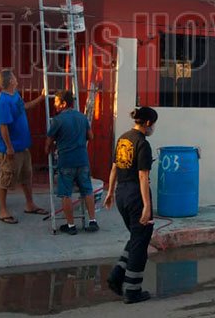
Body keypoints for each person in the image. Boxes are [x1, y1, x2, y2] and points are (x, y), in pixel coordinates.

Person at [104, 107, 158, 304]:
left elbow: (114, 168)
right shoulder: (142, 144)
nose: (153, 128)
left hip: (121, 194)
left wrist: (110, 192)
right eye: (154, 125)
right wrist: (147, 206)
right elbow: (143, 176)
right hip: (136, 196)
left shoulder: (123, 139)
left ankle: (117, 276)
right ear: (148, 123)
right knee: (140, 242)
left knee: (136, 237)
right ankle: (132, 290)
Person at [0, 69, 47, 224]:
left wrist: (41, 98)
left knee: (26, 176)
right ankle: (3, 211)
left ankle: (30, 204)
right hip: (11, 148)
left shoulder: (15, 95)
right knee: (5, 178)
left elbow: (24, 107)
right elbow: (3, 126)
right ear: (11, 81)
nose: (17, 79)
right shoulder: (4, 101)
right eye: (14, 77)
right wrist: (9, 147)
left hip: (23, 146)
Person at [45, 90, 97, 235]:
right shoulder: (82, 117)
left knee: (66, 193)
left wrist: (48, 149)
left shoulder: (57, 120)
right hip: (82, 160)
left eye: (56, 102)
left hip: (66, 161)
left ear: (63, 103)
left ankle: (71, 225)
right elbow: (91, 136)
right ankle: (92, 221)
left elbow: (48, 142)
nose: (54, 105)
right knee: (87, 190)